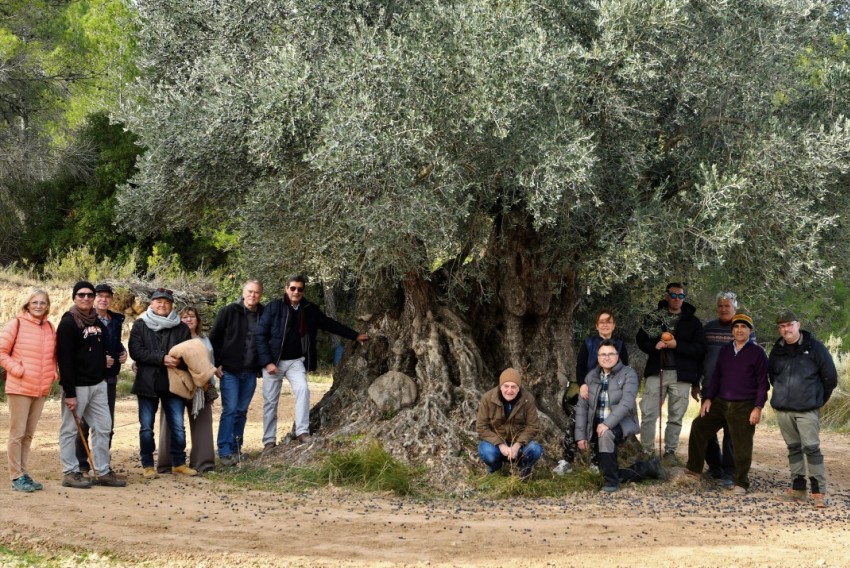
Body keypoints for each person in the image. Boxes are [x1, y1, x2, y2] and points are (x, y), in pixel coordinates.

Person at [256, 275, 368, 450]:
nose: (296, 292)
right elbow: (260, 336)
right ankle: (269, 441)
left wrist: (354, 335)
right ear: (286, 288)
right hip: (273, 362)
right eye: (293, 288)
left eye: (300, 289)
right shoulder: (274, 307)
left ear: (303, 291)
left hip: (295, 361)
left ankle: (302, 432)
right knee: (270, 401)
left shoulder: (309, 309)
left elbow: (330, 324)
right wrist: (267, 362)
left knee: (303, 390)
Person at [686, 313, 768, 495]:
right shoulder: (725, 350)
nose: (739, 330)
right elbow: (716, 377)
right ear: (732, 331)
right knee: (699, 426)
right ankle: (694, 470)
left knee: (741, 444)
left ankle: (740, 483)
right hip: (720, 402)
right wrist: (708, 398)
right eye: (736, 327)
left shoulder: (757, 353)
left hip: (744, 405)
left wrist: (758, 407)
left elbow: (763, 383)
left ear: (750, 331)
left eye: (743, 327)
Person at [56, 281, 126, 488]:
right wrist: (69, 392)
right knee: (70, 429)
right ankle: (70, 472)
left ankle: (103, 471)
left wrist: (106, 360)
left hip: (98, 384)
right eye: (81, 295)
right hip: (77, 386)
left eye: (89, 295)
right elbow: (64, 360)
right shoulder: (68, 323)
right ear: (74, 297)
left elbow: (102, 347)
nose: (86, 298)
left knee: (104, 427)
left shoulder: (97, 321)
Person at [769, 311, 837, 509]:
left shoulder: (815, 348)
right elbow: (772, 376)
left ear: (798, 325)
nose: (786, 329)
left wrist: (817, 400)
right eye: (781, 326)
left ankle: (818, 492)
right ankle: (798, 489)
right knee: (793, 448)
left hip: (807, 409)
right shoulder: (777, 349)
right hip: (783, 410)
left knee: (811, 448)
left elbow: (830, 378)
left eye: (789, 325)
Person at [575, 340, 663, 493]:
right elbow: (582, 407)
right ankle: (647, 468)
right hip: (597, 426)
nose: (606, 357)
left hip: (621, 423)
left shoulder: (629, 374)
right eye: (603, 354)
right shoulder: (591, 377)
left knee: (606, 435)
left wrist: (607, 424)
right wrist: (580, 435)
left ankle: (611, 483)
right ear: (598, 357)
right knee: (602, 469)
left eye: (611, 354)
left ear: (617, 356)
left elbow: (627, 403)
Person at [129, 287, 195, 478]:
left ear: (171, 305)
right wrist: (162, 358)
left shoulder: (181, 328)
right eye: (158, 301)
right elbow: (136, 351)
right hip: (147, 383)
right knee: (146, 427)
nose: (162, 305)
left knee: (177, 425)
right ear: (151, 303)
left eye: (166, 302)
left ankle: (179, 463)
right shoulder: (140, 325)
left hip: (174, 383)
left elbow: (188, 352)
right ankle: (148, 465)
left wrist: (178, 361)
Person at [636, 282, 705, 463]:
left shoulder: (693, 321)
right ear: (667, 296)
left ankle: (670, 452)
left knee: (676, 416)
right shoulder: (654, 317)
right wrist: (654, 346)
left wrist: (677, 346)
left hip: (681, 375)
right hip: (656, 372)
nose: (677, 299)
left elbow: (699, 349)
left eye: (680, 296)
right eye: (673, 295)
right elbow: (641, 339)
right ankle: (647, 451)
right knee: (649, 412)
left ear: (684, 298)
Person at [555, 309, 630, 476]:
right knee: (576, 422)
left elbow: (623, 369)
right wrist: (582, 385)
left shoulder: (620, 345)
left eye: (608, 322)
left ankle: (595, 463)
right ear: (597, 326)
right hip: (589, 391)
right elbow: (580, 366)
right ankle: (567, 460)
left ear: (614, 325)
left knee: (601, 425)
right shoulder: (589, 343)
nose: (605, 325)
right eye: (601, 322)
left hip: (609, 394)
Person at [0, 289, 57, 492]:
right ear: (27, 304)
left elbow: (52, 356)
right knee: (17, 434)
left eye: (43, 303)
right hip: (19, 387)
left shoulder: (50, 327)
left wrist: (53, 373)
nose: (39, 306)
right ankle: (16, 477)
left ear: (48, 306)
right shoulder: (15, 324)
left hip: (40, 388)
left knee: (29, 434)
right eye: (35, 302)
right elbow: (1, 352)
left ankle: (24, 473)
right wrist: (17, 370)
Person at [701, 291, 756, 487]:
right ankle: (714, 467)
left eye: (728, 306)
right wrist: (694, 383)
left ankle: (730, 472)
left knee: (732, 432)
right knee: (705, 428)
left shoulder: (746, 330)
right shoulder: (708, 329)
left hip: (736, 392)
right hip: (710, 388)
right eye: (721, 306)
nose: (724, 309)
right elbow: (701, 356)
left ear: (735, 307)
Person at [208, 279, 264, 466]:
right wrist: (216, 363)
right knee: (230, 410)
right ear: (243, 292)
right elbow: (214, 338)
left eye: (256, 292)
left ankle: (236, 449)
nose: (252, 295)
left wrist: (260, 366)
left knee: (241, 411)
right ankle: (224, 451)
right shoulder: (228, 311)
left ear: (260, 294)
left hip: (250, 372)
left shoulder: (264, 314)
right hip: (229, 371)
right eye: (249, 291)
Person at [157, 307, 218, 474]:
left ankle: (203, 463)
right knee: (170, 425)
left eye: (192, 316)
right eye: (184, 317)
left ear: (197, 320)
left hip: (200, 388)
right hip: (174, 387)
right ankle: (167, 464)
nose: (188, 319)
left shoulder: (205, 341)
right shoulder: (170, 337)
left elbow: (209, 365)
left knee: (203, 424)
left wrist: (210, 388)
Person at [76, 283, 127, 476]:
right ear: (93, 298)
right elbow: (80, 347)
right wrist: (99, 359)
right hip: (89, 378)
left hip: (110, 378)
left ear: (111, 299)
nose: (103, 299)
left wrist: (123, 352)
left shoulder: (115, 320)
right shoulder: (84, 318)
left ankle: (102, 464)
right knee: (83, 424)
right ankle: (82, 465)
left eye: (107, 296)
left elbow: (114, 342)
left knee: (107, 425)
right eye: (100, 296)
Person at [476, 368, 542, 479]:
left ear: (518, 388)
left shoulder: (527, 399)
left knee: (535, 449)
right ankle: (495, 471)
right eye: (506, 386)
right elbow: (481, 427)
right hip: (495, 444)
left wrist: (517, 445)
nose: (509, 390)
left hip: (519, 444)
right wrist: (500, 444)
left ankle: (523, 472)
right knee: (488, 453)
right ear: (500, 386)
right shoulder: (487, 398)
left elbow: (533, 426)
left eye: (513, 387)